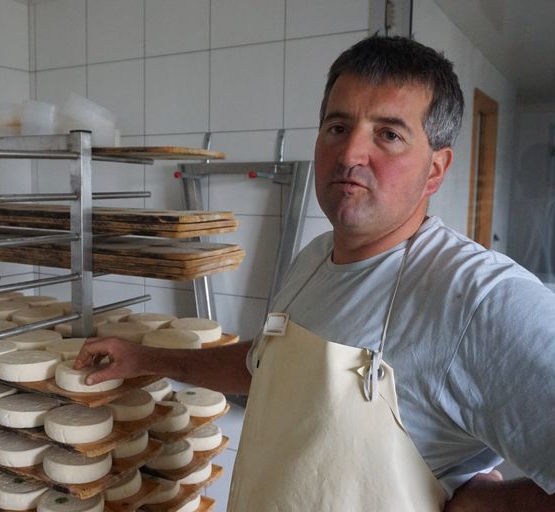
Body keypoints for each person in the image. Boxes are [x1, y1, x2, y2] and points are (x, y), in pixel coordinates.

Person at [74, 36, 555, 511]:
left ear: (435, 169)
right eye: (338, 127)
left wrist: (493, 504)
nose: (350, 156)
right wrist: (142, 358)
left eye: (388, 134)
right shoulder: (314, 258)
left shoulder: (481, 298)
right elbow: (264, 364)